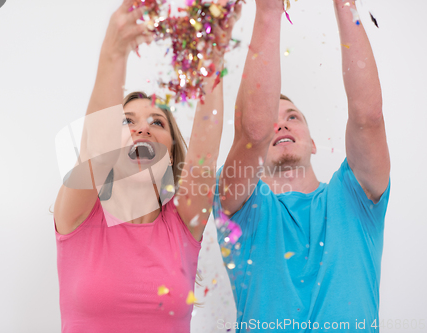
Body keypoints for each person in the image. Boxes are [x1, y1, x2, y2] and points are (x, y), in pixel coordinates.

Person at [53, 1, 240, 332]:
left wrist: (212, 61)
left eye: (158, 122)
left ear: (170, 154)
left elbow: (203, 158)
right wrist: (115, 51)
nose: (143, 129)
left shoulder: (183, 224)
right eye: (128, 121)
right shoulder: (78, 215)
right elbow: (94, 151)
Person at [214, 0, 390, 332]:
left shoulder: (355, 198)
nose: (280, 126)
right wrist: (268, 11)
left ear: (312, 142)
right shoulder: (240, 208)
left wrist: (345, 4)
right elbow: (253, 130)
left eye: (292, 117)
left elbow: (369, 118)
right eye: (273, 121)